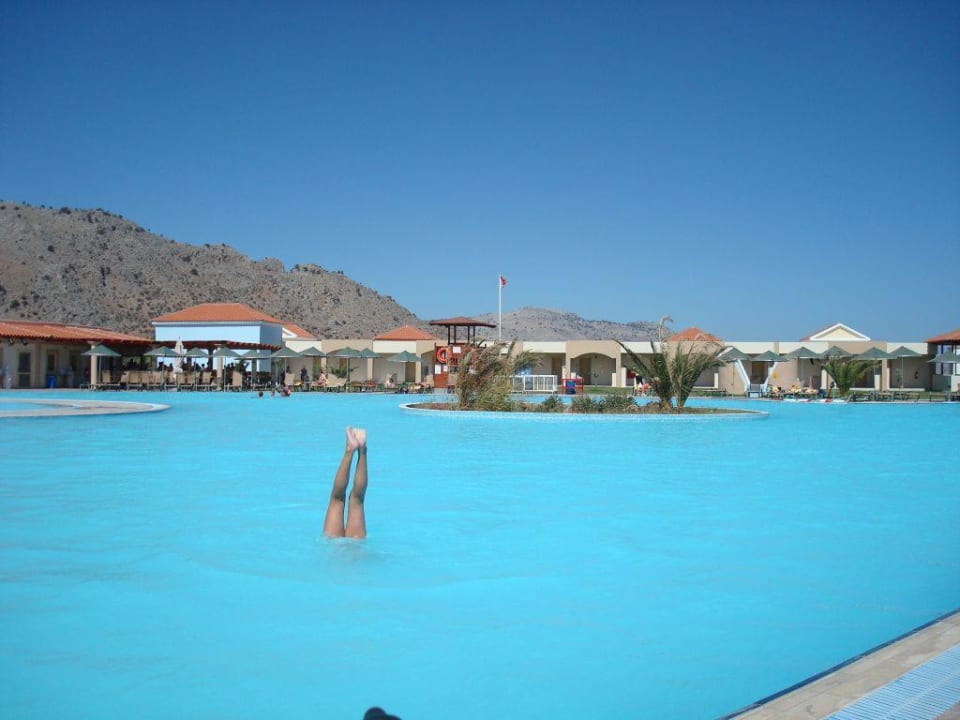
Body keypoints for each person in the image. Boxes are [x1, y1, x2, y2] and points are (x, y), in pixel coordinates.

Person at [323, 427, 368, 539]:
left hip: (334, 547)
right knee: (356, 500)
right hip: (356, 546)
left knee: (339, 500)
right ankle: (361, 450)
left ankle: (353, 449)